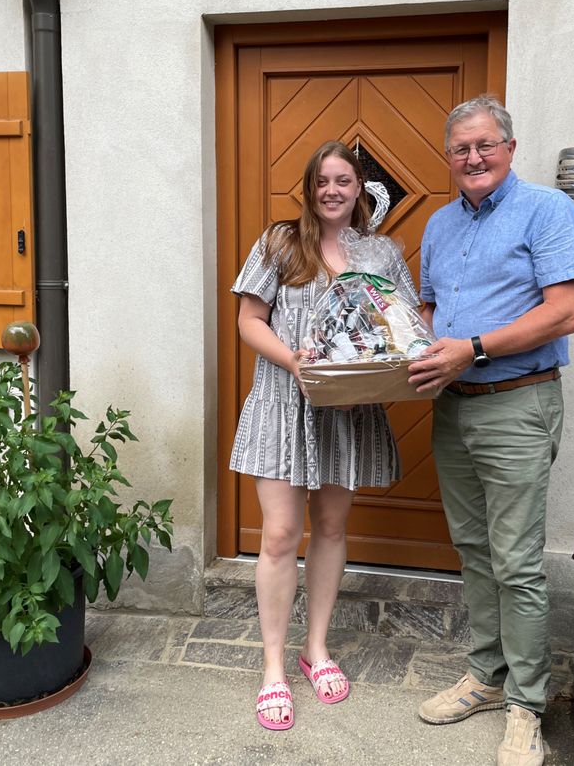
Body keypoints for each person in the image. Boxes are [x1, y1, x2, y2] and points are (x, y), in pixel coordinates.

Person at [407, 96, 574, 766]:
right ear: (449, 157)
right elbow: (428, 309)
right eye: (460, 149)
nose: (473, 158)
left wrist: (474, 349)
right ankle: (486, 677)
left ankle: (527, 706)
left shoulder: (548, 211)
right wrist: (409, 350)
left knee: (516, 562)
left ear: (510, 148)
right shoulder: (438, 224)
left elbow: (566, 312)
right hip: (452, 405)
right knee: (474, 551)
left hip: (517, 403)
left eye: (484, 145)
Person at [230, 140, 419, 731]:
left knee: (333, 527)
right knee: (282, 534)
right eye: (322, 182)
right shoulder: (280, 241)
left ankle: (315, 649)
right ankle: (272, 669)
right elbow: (247, 320)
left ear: (359, 188)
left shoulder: (382, 251)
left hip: (347, 408)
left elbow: (407, 323)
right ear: (310, 189)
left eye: (344, 181)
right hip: (285, 404)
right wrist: (294, 360)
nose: (333, 191)